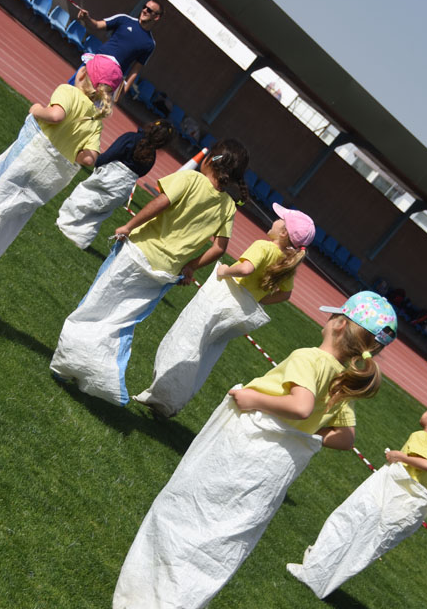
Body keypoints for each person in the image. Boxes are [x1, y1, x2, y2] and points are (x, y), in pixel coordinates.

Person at [112, 291, 398, 609]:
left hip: (244, 451)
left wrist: (252, 398)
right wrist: (304, 438)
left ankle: (149, 602)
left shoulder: (310, 359)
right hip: (270, 470)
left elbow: (301, 405)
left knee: (189, 512)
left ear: (339, 324)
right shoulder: (342, 382)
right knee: (222, 534)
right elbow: (346, 437)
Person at [50, 139, 249, 407]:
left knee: (98, 304)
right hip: (166, 271)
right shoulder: (227, 206)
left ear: (210, 160)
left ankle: (69, 363)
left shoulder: (190, 180)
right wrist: (190, 266)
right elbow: (219, 248)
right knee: (121, 320)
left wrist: (130, 225)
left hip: (138, 253)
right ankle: (92, 372)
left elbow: (161, 203)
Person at [0, 55, 121, 294]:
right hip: (47, 180)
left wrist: (37, 109)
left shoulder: (68, 91)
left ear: (83, 74)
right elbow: (89, 158)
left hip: (27, 159)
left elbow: (55, 116)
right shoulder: (96, 121)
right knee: (11, 219)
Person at [286, 392, 427, 599]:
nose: (426, 411)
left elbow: (425, 464)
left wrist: (399, 456)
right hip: (403, 508)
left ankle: (311, 572)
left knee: (345, 523)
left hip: (387, 493)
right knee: (363, 545)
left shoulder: (421, 436)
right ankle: (324, 582)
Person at [133, 203, 316, 418]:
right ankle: (173, 401)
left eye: (280, 220)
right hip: (241, 313)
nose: (274, 221)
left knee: (187, 340)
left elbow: (246, 268)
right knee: (207, 353)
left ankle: (162, 393)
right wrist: (260, 298)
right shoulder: (287, 262)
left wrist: (226, 270)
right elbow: (285, 294)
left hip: (222, 300)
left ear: (283, 232)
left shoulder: (264, 247)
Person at [56, 120, 175, 249]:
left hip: (110, 177)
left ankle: (65, 225)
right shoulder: (152, 157)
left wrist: (98, 162)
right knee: (99, 213)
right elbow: (141, 173)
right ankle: (81, 238)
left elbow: (111, 153)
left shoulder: (131, 138)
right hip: (123, 188)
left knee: (82, 197)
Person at [74, 0, 162, 97]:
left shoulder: (150, 44)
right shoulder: (124, 19)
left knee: (88, 108)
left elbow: (136, 69)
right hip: (94, 65)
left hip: (109, 79)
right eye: (144, 7)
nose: (144, 10)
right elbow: (97, 25)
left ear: (156, 17)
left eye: (149, 10)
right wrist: (87, 19)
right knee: (71, 95)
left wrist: (124, 89)